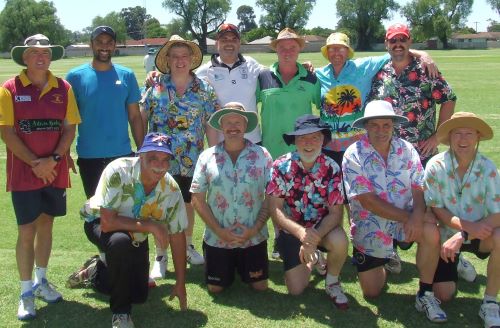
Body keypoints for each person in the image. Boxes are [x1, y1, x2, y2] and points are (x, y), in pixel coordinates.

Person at [66, 132, 188, 328]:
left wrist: (180, 283)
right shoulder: (118, 170)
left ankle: (95, 270)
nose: (159, 165)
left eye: (165, 159)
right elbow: (107, 223)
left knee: (139, 294)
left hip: (135, 232)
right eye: (153, 158)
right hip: (98, 222)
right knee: (120, 243)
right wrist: (151, 226)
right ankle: (121, 314)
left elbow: (177, 234)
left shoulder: (171, 189)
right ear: (140, 156)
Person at [342, 100, 446, 322]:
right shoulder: (353, 154)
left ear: (393, 126)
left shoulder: (406, 149)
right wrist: (411, 218)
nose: (381, 131)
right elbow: (367, 201)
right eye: (375, 125)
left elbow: (419, 185)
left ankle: (425, 293)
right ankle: (387, 258)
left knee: (430, 231)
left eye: (386, 125)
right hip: (371, 224)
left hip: (407, 219)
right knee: (372, 292)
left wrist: (417, 216)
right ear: (366, 127)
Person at [0, 34, 81, 320]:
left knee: (46, 224)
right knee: (26, 231)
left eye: (45, 52)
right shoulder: (9, 88)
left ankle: (42, 281)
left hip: (54, 172)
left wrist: (55, 160)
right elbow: (7, 132)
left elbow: (69, 128)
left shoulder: (64, 87)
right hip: (24, 172)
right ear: (25, 57)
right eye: (34, 52)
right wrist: (37, 163)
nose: (40, 56)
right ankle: (25, 292)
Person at [140, 35, 219, 281]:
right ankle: (161, 255)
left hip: (192, 158)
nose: (180, 61)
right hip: (160, 161)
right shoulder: (156, 87)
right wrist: (142, 152)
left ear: (191, 60)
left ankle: (187, 245)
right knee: (160, 207)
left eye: (184, 56)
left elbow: (210, 125)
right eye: (175, 56)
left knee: (188, 204)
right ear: (168, 60)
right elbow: (141, 118)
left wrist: (215, 154)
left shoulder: (204, 89)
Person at [423, 112, 500, 328]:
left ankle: (490, 302)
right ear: (449, 137)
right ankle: (457, 263)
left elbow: (497, 214)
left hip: (479, 234)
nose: (463, 140)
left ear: (477, 137)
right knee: (444, 295)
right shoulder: (435, 166)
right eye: (457, 134)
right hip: (446, 236)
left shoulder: (488, 168)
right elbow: (436, 209)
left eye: (468, 133)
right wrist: (461, 230)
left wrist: (464, 233)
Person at [267, 114, 349, 310]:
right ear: (295, 141)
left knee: (340, 241)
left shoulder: (332, 168)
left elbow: (336, 213)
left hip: (323, 229)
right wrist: (302, 234)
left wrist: (312, 238)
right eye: (302, 138)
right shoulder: (280, 166)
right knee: (296, 289)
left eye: (314, 137)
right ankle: (314, 260)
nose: (308, 143)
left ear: (323, 140)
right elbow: (275, 209)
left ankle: (332, 282)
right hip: (292, 231)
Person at [190, 102, 273, 292]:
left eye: (238, 122)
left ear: (246, 126)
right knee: (215, 288)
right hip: (218, 237)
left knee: (260, 286)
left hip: (253, 237)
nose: (233, 127)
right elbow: (197, 199)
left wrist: (255, 229)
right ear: (221, 126)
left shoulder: (263, 155)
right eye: (228, 122)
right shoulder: (206, 157)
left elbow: (271, 196)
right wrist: (220, 231)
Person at [66, 25, 144, 199]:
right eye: (99, 42)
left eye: (109, 42)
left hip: (122, 156)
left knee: (124, 212)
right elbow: (68, 120)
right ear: (91, 44)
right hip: (89, 157)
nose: (104, 46)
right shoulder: (75, 77)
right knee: (96, 212)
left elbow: (134, 116)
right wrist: (65, 153)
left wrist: (142, 149)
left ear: (115, 45)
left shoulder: (127, 75)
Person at [257, 28, 321, 160]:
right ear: (276, 50)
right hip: (270, 152)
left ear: (299, 50)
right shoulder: (263, 76)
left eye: (292, 47)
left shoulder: (311, 78)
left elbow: (324, 110)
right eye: (282, 47)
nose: (287, 52)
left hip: (302, 151)